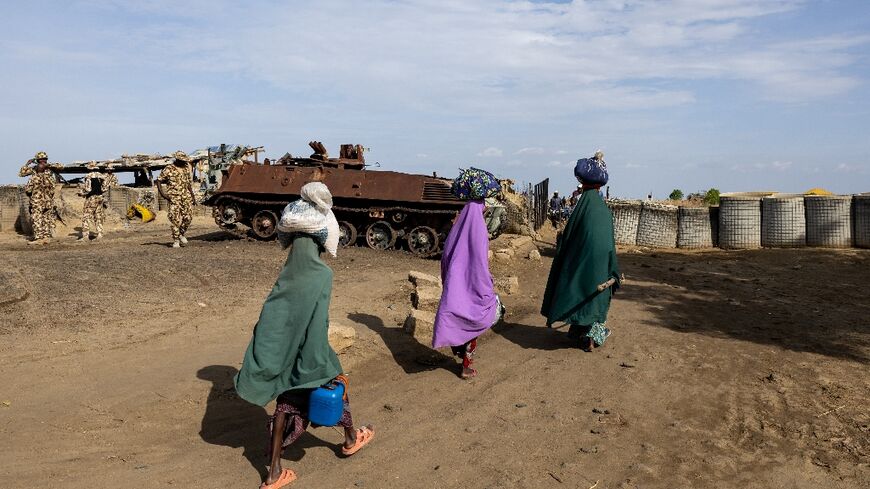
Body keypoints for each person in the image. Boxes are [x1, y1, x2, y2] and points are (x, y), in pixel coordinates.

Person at [234, 182, 374, 489]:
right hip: (307, 356)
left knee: (285, 403)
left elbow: (271, 326)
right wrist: (320, 364)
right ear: (320, 241)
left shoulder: (285, 277)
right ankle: (350, 439)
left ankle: (273, 471)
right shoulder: (322, 275)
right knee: (334, 379)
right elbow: (316, 326)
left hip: (279, 357)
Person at [541, 150, 621, 352]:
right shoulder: (602, 210)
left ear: (582, 184)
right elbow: (609, 244)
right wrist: (612, 267)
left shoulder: (582, 208)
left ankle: (583, 332)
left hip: (583, 263)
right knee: (595, 293)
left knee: (579, 285)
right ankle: (590, 336)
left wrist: (566, 257)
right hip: (602, 265)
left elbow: (569, 240)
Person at [433, 199, 505, 379]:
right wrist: (487, 281)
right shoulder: (478, 228)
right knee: (475, 320)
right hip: (474, 284)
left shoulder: (458, 227)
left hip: (455, 286)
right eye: (484, 205)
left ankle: (458, 348)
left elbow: (446, 257)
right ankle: (465, 366)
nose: (486, 208)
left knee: (457, 318)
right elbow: (480, 262)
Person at [19, 151, 61, 244]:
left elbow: (60, 166)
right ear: (37, 161)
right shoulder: (34, 170)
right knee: (39, 217)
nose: (43, 161)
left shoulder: (49, 169)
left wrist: (48, 165)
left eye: (45, 159)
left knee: (44, 217)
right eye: (41, 160)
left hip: (45, 199)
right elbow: (22, 173)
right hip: (41, 199)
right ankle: (41, 237)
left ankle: (43, 237)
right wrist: (27, 164)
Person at [157, 151, 197, 248]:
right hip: (174, 197)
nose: (185, 162)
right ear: (177, 160)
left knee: (188, 217)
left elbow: (188, 183)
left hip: (185, 197)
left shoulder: (186, 168)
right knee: (174, 219)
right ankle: (176, 240)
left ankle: (181, 234)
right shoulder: (168, 169)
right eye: (183, 161)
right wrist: (163, 194)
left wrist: (193, 196)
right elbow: (158, 180)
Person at [78, 166, 117, 241]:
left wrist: (81, 193)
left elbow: (88, 189)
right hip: (100, 197)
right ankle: (100, 234)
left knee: (86, 217)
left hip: (91, 198)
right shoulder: (102, 176)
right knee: (98, 216)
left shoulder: (88, 176)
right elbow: (104, 188)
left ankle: (85, 236)